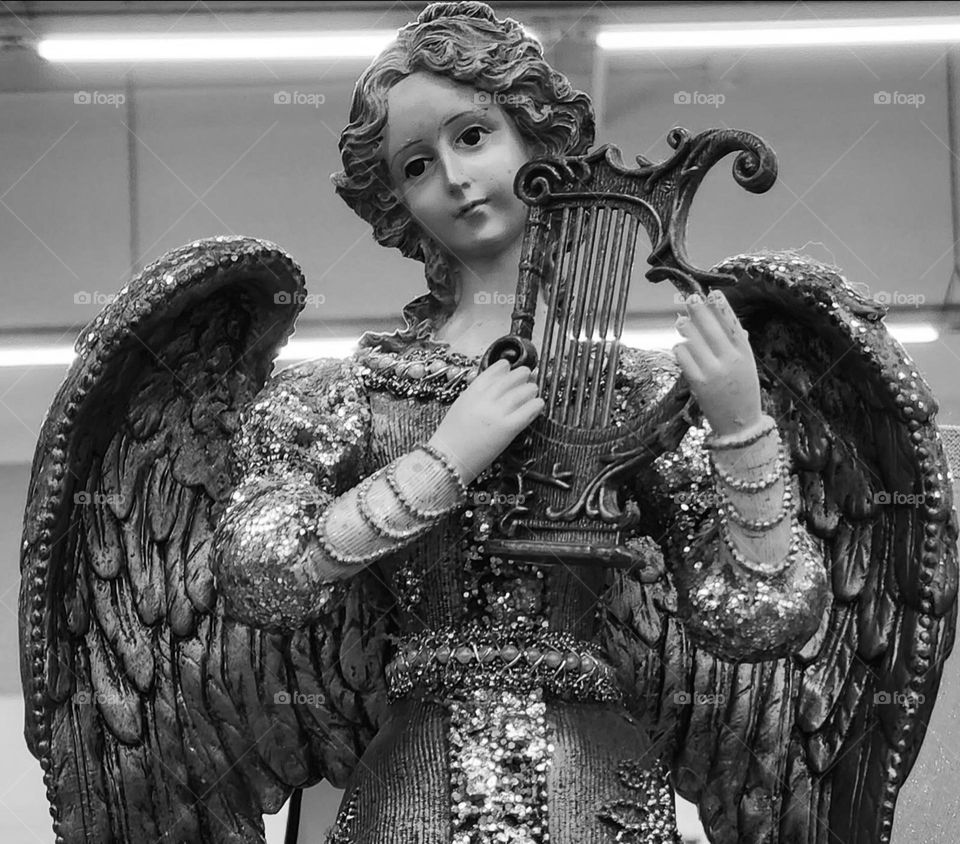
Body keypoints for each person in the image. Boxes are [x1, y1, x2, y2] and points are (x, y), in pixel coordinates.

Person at [211, 2, 830, 841]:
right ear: (395, 201)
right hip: (412, 790)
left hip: (595, 787)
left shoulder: (634, 392)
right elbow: (262, 575)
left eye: (473, 137)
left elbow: (756, 614)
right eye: (418, 165)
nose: (455, 178)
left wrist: (740, 427)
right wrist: (442, 460)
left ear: (538, 142)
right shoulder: (342, 393)